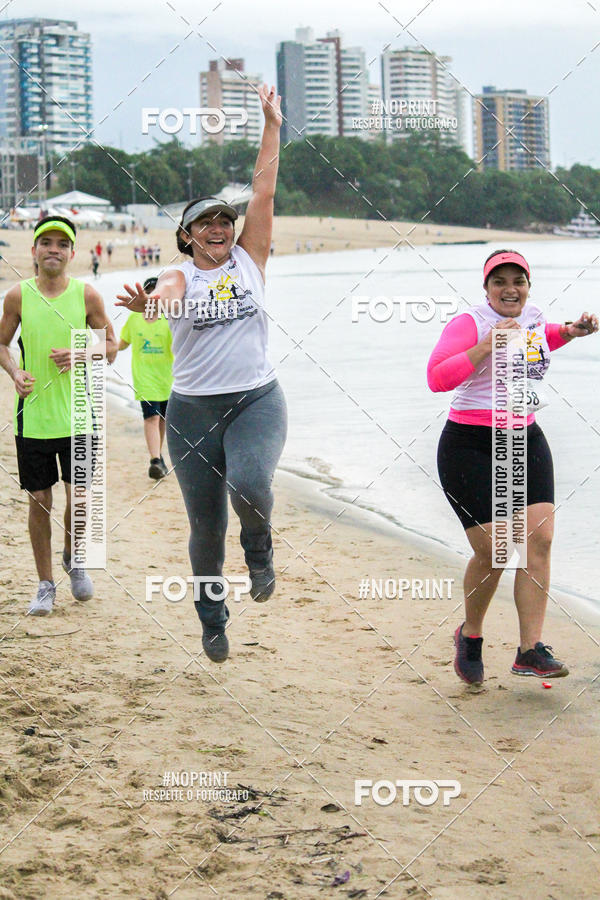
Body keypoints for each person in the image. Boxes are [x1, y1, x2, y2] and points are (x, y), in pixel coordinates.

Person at [117, 85, 287, 664]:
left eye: (224, 220)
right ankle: (212, 620)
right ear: (187, 235)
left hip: (257, 401)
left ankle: (260, 549)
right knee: (206, 529)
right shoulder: (177, 274)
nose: (218, 227)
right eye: (205, 223)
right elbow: (165, 295)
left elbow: (263, 185)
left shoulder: (251, 257)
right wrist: (151, 307)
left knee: (250, 485)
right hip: (191, 411)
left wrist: (272, 124)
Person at [428, 249, 598, 686]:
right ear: (486, 288)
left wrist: (571, 331)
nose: (510, 289)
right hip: (468, 444)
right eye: (499, 281)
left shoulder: (534, 316)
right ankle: (470, 634)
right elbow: (436, 378)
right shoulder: (469, 323)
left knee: (538, 540)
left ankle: (529, 650)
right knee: (498, 549)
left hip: (524, 436)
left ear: (528, 286)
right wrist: (486, 346)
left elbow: (542, 336)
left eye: (517, 281)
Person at [0, 215, 117, 616]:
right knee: (39, 500)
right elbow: (2, 344)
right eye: (46, 243)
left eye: (61, 244)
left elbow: (113, 346)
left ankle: (75, 558)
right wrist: (15, 372)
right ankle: (46, 584)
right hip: (33, 418)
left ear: (72, 253)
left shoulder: (86, 296)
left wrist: (81, 353)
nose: (54, 249)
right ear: (33, 251)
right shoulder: (17, 296)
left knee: (80, 497)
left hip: (80, 416)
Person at [118, 276, 173, 480]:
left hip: (168, 380)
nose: (151, 297)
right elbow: (121, 343)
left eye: (155, 293)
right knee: (151, 417)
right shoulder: (134, 319)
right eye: (147, 293)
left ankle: (158, 458)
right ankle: (154, 460)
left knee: (162, 420)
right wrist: (99, 351)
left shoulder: (169, 319)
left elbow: (182, 347)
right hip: (144, 379)